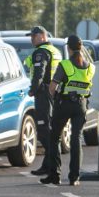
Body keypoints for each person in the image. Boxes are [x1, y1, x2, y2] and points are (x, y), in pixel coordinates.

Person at [41, 35, 95, 186]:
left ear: (68, 48)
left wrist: (54, 98)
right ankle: (74, 177)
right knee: (76, 139)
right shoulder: (90, 67)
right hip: (81, 105)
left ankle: (54, 175)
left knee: (54, 138)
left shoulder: (65, 65)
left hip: (64, 104)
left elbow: (52, 87)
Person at [24, 26, 62, 176]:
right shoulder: (55, 51)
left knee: (44, 131)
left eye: (33, 36)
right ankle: (48, 165)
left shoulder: (41, 52)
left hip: (44, 94)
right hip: (53, 93)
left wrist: (33, 90)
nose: (31, 39)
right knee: (48, 129)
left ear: (41, 36)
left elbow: (39, 74)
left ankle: (53, 164)